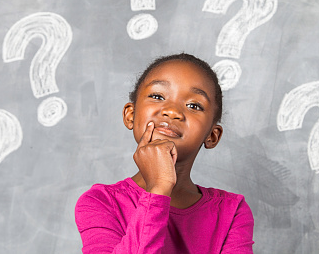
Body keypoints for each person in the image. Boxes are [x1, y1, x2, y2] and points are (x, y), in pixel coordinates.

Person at [75, 53, 254, 253]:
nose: (172, 111)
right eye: (157, 96)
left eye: (194, 105)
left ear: (212, 136)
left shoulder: (232, 211)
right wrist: (159, 189)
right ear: (130, 115)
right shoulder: (100, 202)